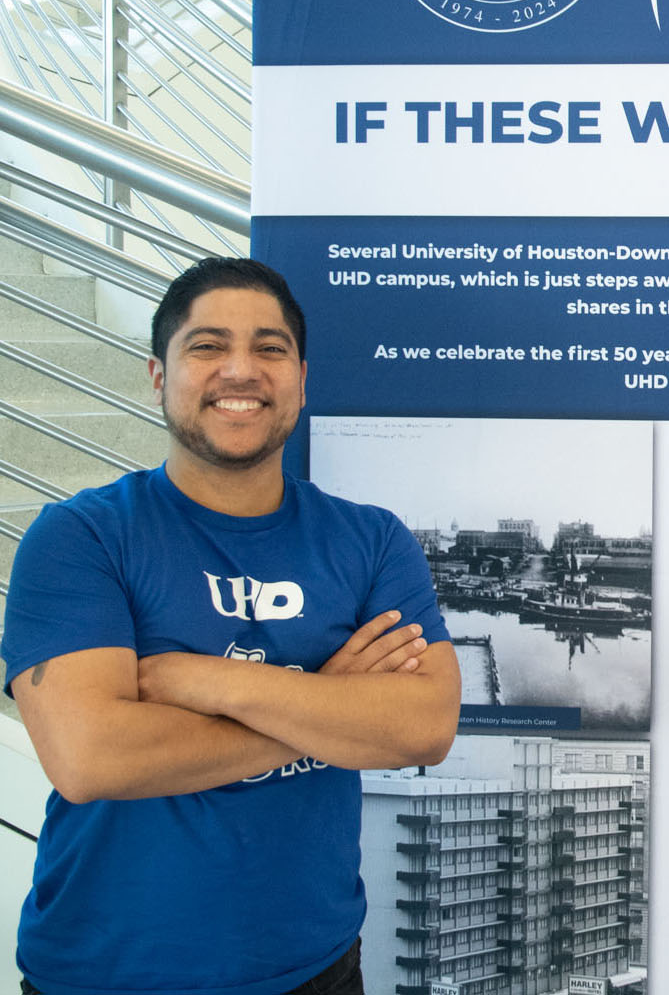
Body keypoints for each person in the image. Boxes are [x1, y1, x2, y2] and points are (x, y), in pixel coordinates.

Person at [2, 257, 460, 995]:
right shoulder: (79, 537)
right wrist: (325, 703)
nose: (240, 370)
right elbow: (91, 757)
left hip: (317, 969)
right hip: (107, 974)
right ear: (159, 374)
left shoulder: (371, 540)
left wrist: (201, 678)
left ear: (302, 380)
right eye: (207, 346)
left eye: (270, 349)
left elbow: (424, 724)